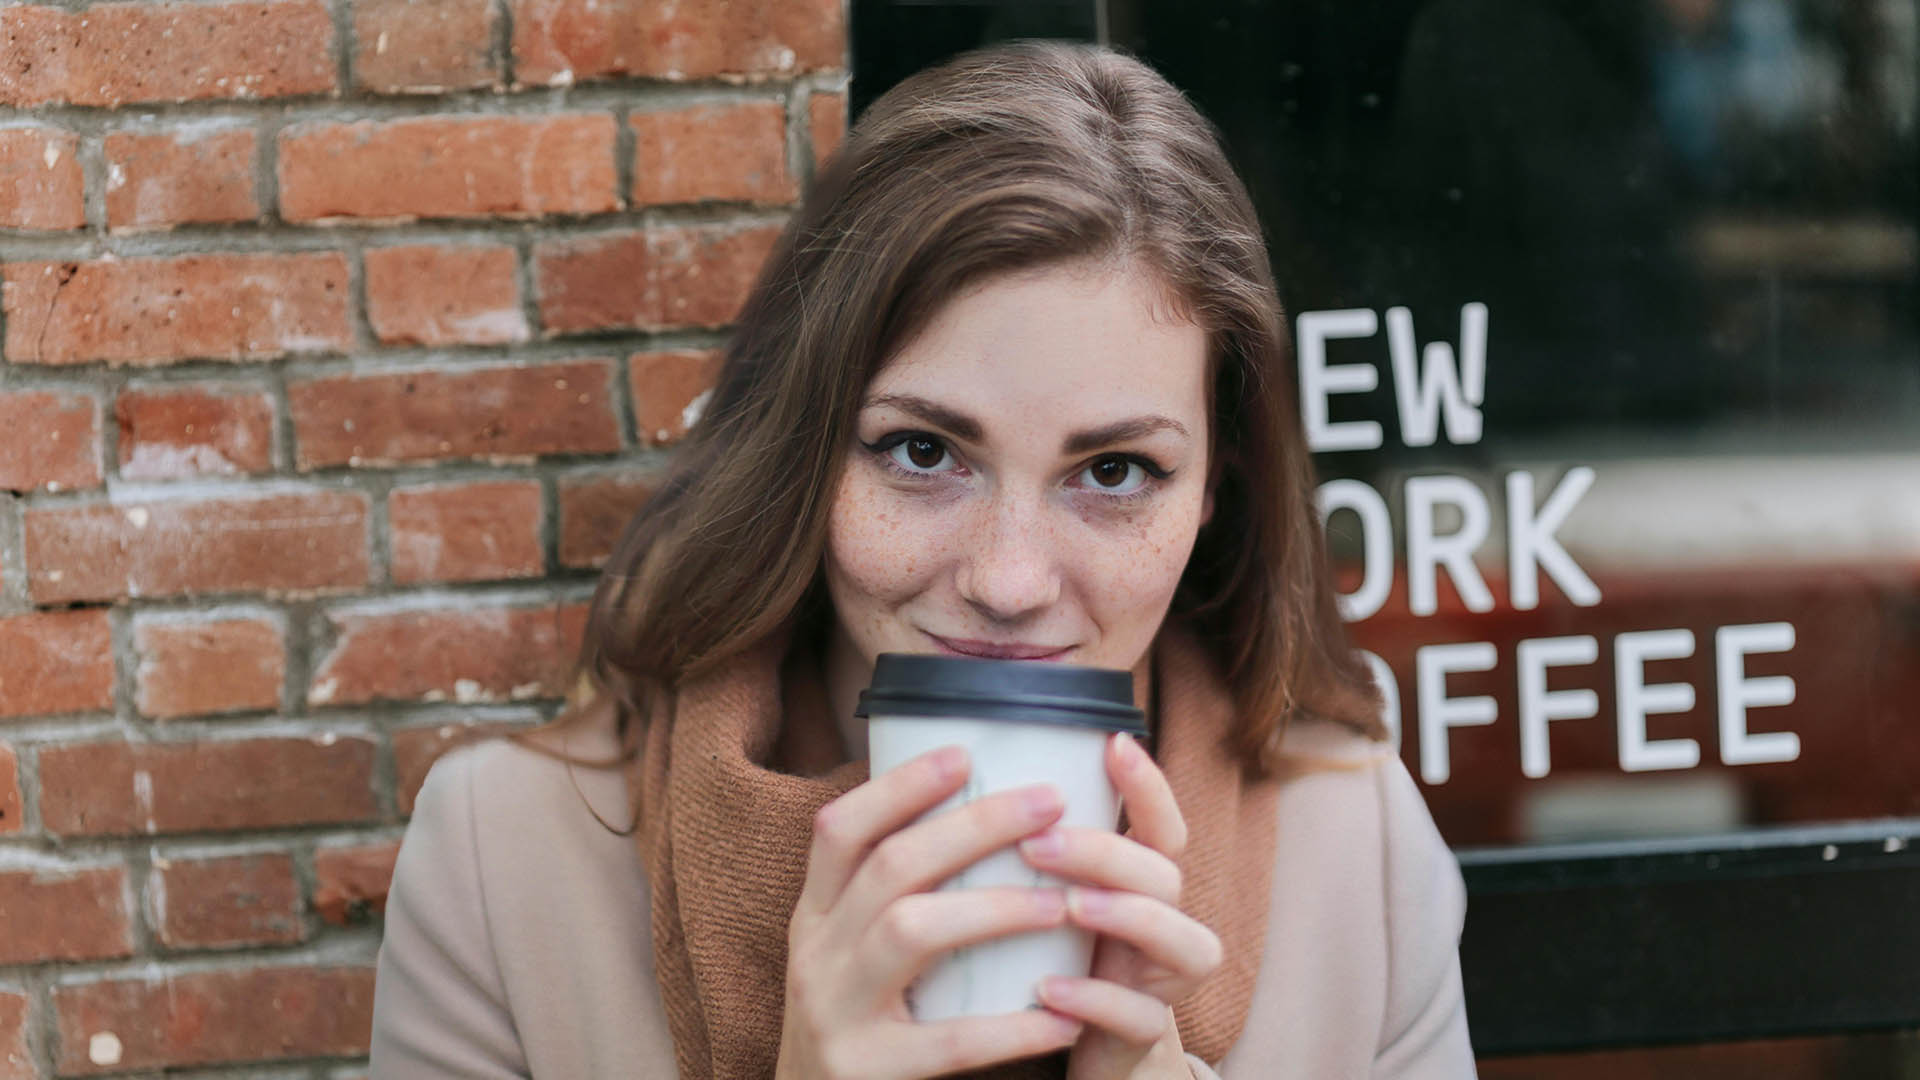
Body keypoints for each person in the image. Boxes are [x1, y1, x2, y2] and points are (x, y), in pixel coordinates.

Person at [368, 40, 1476, 1079]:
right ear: (806, 448)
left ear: (1213, 492)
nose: (1007, 580)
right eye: (922, 451)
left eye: (1115, 472)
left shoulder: (1357, 854)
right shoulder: (508, 858)